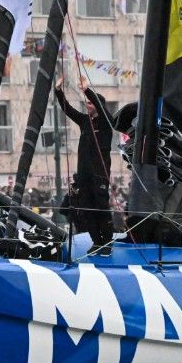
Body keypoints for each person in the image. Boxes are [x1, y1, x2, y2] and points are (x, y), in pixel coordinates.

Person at [54, 74, 116, 246]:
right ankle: (96, 241)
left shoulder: (106, 123)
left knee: (101, 207)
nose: (87, 104)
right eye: (87, 102)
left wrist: (87, 90)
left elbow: (100, 108)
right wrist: (58, 91)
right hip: (84, 174)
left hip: (99, 174)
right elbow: (68, 109)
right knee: (86, 209)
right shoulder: (84, 122)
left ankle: (107, 240)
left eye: (90, 102)